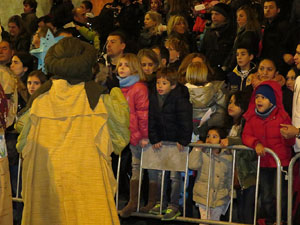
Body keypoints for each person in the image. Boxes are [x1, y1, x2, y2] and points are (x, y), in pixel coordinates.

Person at [18, 37, 130, 225]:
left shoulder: (38, 101)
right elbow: (120, 138)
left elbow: (22, 142)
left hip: (47, 181)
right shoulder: (100, 99)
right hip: (87, 183)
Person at [242, 80, 295, 223]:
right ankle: (270, 220)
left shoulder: (282, 117)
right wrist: (256, 143)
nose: (259, 100)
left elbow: (291, 141)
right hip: (264, 164)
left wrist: (288, 137)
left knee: (281, 196)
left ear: (272, 101)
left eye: (263, 97)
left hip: (281, 165)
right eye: (257, 97)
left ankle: (281, 220)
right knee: (266, 197)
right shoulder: (252, 118)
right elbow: (245, 135)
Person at [148, 67, 193, 220]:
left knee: (175, 176)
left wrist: (183, 140)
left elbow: (185, 121)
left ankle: (174, 205)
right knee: (161, 174)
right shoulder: (154, 98)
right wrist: (154, 138)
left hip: (176, 144)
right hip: (163, 143)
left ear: (173, 85)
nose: (159, 86)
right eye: (158, 82)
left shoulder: (180, 99)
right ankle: (161, 202)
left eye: (164, 83)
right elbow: (152, 120)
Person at [118, 53, 149, 218]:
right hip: (131, 136)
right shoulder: (123, 88)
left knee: (143, 169)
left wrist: (144, 136)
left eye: (126, 65)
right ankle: (133, 201)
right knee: (135, 169)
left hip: (140, 138)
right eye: (120, 64)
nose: (122, 68)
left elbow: (143, 114)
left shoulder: (138, 88)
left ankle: (142, 202)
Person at [220, 91, 256, 224]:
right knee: (239, 212)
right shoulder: (228, 125)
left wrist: (232, 142)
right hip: (234, 173)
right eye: (230, 102)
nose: (231, 106)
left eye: (236, 103)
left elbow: (249, 147)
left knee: (246, 212)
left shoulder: (248, 124)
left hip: (247, 174)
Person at [189, 127, 232, 223]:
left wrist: (230, 192)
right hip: (203, 195)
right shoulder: (203, 153)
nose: (209, 139)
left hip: (220, 196)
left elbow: (229, 177)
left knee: (215, 221)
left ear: (222, 140)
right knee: (204, 221)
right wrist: (197, 149)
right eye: (208, 136)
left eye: (214, 136)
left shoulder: (227, 157)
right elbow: (192, 165)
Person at [185, 62, 227, 141]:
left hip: (188, 130)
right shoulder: (215, 90)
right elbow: (224, 106)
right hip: (210, 131)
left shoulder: (182, 92)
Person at [200, 3, 235, 80]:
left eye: (217, 14)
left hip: (225, 71)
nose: (213, 17)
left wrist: (225, 66)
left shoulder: (231, 32)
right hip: (209, 68)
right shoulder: (209, 31)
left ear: (225, 16)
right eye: (212, 14)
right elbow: (203, 49)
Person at [224, 5, 261, 72]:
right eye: (237, 16)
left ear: (249, 18)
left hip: (243, 68)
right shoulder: (242, 32)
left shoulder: (249, 34)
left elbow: (240, 53)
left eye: (241, 16)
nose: (238, 19)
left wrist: (229, 68)